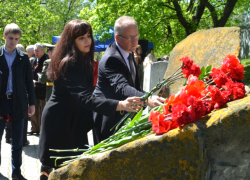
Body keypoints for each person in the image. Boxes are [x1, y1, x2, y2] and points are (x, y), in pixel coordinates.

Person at [38, 20, 142, 180]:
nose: (87, 41)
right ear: (71, 41)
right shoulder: (70, 63)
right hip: (60, 124)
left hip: (73, 123)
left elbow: (87, 93)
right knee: (58, 172)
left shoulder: (81, 59)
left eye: (88, 36)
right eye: (81, 38)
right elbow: (85, 98)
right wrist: (120, 104)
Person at [93, 16, 165, 144]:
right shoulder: (112, 58)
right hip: (110, 120)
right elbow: (122, 87)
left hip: (124, 115)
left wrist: (152, 94)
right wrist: (147, 99)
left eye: (136, 36)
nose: (135, 41)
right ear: (117, 37)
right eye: (129, 38)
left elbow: (133, 86)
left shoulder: (129, 52)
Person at [0, 23, 35, 180]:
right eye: (10, 38)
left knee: (18, 141)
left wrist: (32, 103)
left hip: (19, 102)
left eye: (16, 39)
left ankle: (16, 172)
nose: (13, 42)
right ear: (4, 36)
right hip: (1, 102)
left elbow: (29, 82)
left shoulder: (23, 58)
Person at [29, 43, 48, 135]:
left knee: (43, 111)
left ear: (43, 51)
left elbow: (46, 77)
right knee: (34, 110)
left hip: (44, 91)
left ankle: (42, 130)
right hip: (34, 90)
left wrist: (36, 83)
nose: (35, 52)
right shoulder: (33, 60)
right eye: (34, 51)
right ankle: (35, 129)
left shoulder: (46, 60)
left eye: (37, 51)